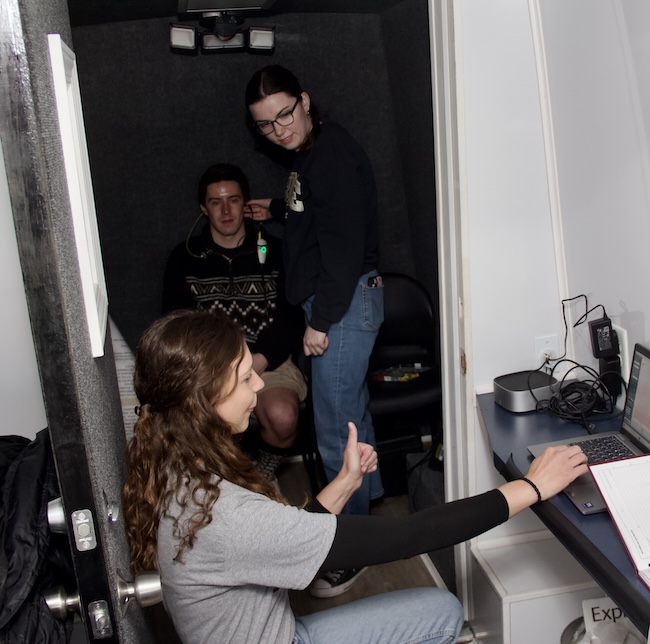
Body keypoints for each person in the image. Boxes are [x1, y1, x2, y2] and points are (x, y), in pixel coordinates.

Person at [123, 309, 589, 644]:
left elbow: (277, 543)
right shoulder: (226, 515)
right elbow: (406, 536)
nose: (260, 386)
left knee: (436, 610)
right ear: (202, 400)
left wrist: (345, 482)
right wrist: (530, 487)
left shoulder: (176, 465)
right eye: (245, 379)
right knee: (440, 614)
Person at [242, 65, 384, 595]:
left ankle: (353, 545)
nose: (280, 130)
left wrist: (320, 323)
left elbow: (344, 250)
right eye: (266, 126)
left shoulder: (330, 158)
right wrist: (277, 208)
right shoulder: (312, 154)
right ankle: (372, 524)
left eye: (285, 115)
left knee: (334, 431)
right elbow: (322, 216)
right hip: (340, 302)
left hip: (340, 306)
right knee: (353, 422)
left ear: (304, 101)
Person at [162, 163, 306, 479]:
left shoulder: (280, 252)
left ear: (247, 204)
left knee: (282, 417)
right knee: (199, 424)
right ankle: (224, 486)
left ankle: (261, 477)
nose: (226, 210)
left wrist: (255, 361)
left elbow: (293, 317)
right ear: (204, 208)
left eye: (234, 200)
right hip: (209, 367)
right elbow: (176, 326)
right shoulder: (184, 259)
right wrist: (219, 370)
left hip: (267, 361)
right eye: (216, 202)